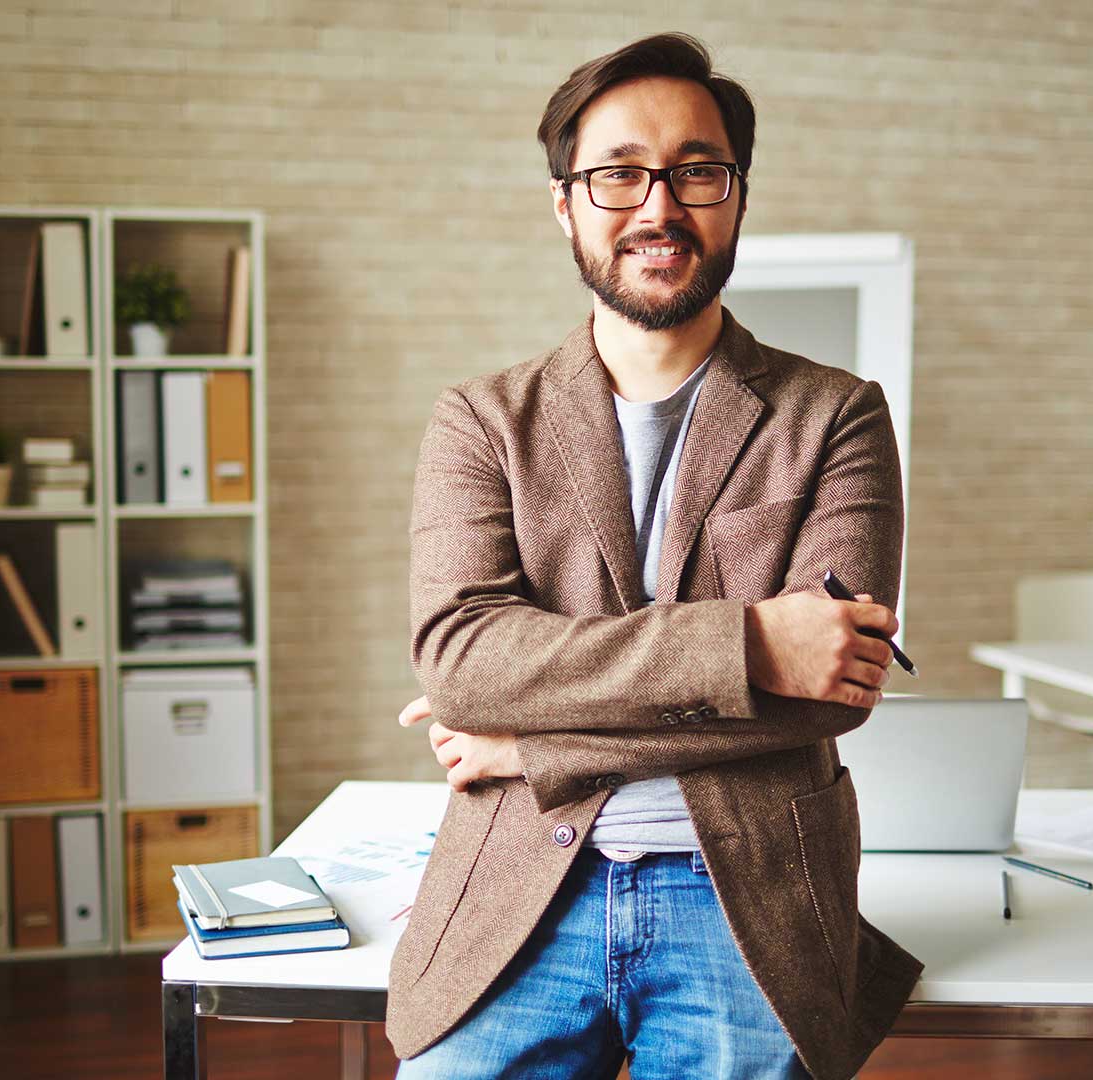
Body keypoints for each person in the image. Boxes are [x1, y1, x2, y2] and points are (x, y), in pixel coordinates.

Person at [389, 32, 921, 1080]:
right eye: (619, 172)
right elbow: (460, 659)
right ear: (567, 202)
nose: (658, 205)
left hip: (751, 896)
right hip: (516, 887)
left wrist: (537, 747)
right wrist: (751, 645)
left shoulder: (837, 416)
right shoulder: (482, 422)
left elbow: (831, 692)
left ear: (738, 194)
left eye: (696, 171)